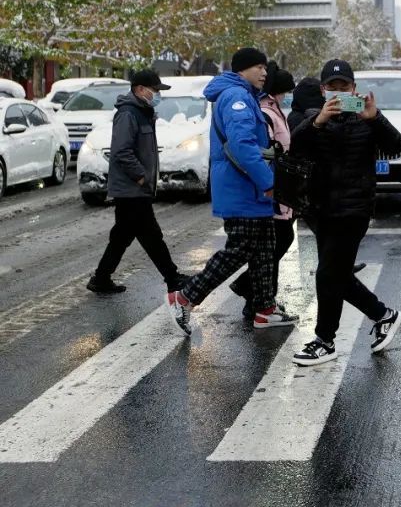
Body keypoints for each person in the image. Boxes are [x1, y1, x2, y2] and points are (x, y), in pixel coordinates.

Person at [164, 48, 298, 336]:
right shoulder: (236, 97)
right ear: (242, 69)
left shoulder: (245, 95)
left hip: (252, 190)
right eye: (258, 67)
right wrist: (269, 183)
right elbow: (243, 145)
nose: (264, 73)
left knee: (264, 249)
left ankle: (265, 309)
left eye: (265, 67)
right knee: (238, 251)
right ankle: (185, 297)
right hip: (243, 189)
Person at [288, 60, 401, 366]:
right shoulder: (314, 119)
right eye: (333, 88)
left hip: (354, 210)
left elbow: (397, 147)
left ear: (354, 89)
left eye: (344, 88)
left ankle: (325, 340)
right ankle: (384, 315)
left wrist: (375, 117)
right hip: (320, 209)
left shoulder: (367, 120)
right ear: (322, 90)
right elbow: (296, 149)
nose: (339, 93)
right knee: (336, 274)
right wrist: (317, 122)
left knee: (328, 274)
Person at [87, 69, 188, 295]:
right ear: (140, 89)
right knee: (151, 235)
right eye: (154, 90)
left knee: (122, 236)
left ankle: (101, 278)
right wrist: (140, 175)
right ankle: (172, 278)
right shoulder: (128, 114)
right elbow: (121, 151)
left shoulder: (143, 112)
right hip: (131, 188)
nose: (157, 95)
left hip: (135, 188)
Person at [229, 63, 297, 320]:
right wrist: (268, 183)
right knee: (272, 244)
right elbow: (262, 150)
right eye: (287, 91)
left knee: (276, 243)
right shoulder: (265, 111)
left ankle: (260, 298)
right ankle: (254, 295)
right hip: (271, 186)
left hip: (280, 184)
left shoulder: (276, 109)